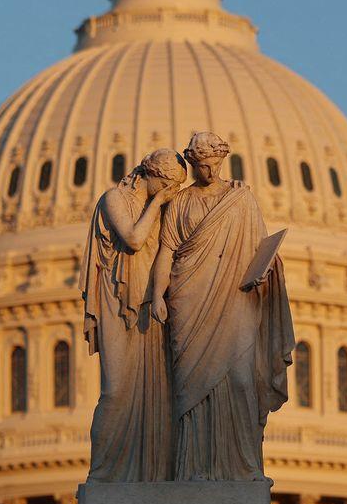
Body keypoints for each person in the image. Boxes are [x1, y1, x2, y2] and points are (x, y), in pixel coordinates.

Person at [150, 132, 295, 482]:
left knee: (242, 381)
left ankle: (242, 468)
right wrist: (157, 295)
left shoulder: (241, 200)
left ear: (222, 161)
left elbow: (263, 250)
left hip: (235, 301)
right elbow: (166, 251)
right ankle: (195, 468)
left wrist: (266, 273)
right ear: (193, 164)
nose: (208, 171)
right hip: (189, 301)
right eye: (201, 166)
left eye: (213, 165)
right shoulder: (181, 203)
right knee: (193, 388)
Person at [80, 148, 186, 482]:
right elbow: (134, 239)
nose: (172, 193)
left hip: (149, 308)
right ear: (152, 174)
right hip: (117, 303)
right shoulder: (114, 199)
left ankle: (149, 472)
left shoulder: (164, 207)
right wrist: (158, 202)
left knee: (155, 396)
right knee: (115, 391)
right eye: (169, 184)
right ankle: (103, 474)